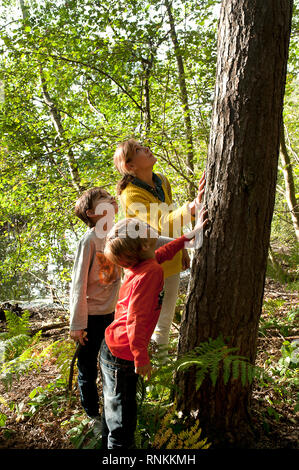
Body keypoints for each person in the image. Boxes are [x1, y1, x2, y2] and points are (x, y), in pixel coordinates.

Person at [99, 210, 208, 449]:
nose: (150, 228)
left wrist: (189, 236)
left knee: (114, 408)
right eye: (146, 228)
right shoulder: (149, 273)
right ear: (146, 242)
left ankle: (106, 443)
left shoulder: (144, 263)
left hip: (113, 348)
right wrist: (141, 357)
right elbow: (135, 319)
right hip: (123, 355)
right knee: (123, 421)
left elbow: (164, 251)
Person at [113, 139, 205, 355]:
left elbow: (169, 213)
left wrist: (181, 248)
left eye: (143, 146)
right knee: (150, 325)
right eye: (137, 150)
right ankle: (152, 373)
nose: (146, 148)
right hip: (148, 267)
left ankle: (161, 371)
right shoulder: (130, 195)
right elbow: (159, 224)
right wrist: (192, 208)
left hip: (170, 260)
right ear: (130, 166)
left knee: (164, 322)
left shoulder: (162, 180)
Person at [69, 187, 121, 437]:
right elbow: (78, 284)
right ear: (92, 213)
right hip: (90, 317)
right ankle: (92, 415)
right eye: (103, 200)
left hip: (113, 315)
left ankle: (114, 413)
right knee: (87, 369)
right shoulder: (89, 241)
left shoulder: (117, 234)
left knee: (112, 367)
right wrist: (77, 324)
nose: (111, 198)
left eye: (111, 196)